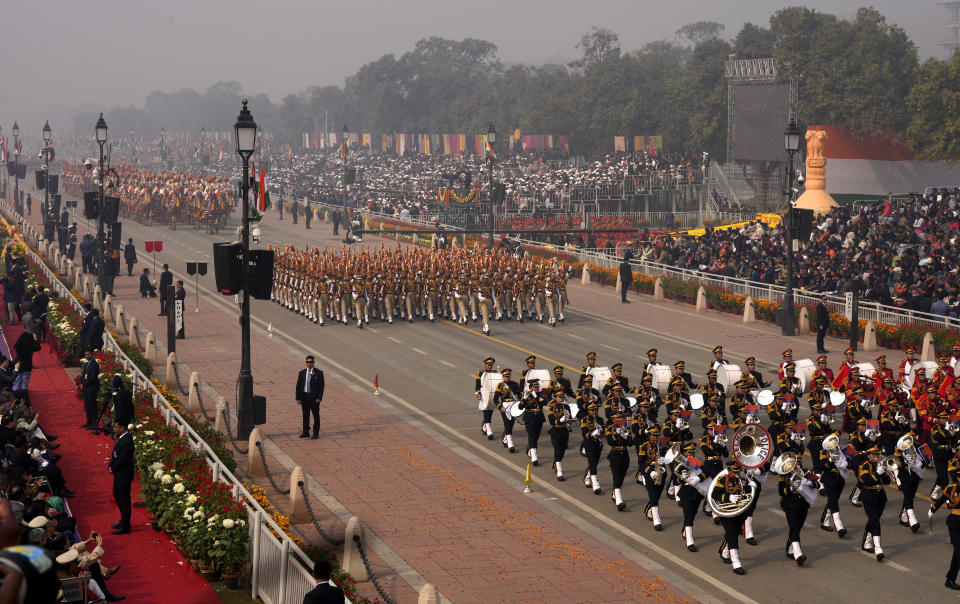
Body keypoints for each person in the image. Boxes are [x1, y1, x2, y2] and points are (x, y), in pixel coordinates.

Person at [930, 475, 960, 590]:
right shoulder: (951, 488)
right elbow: (941, 500)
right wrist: (932, 510)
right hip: (955, 523)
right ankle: (950, 579)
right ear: (958, 478)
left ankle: (950, 579)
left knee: (957, 553)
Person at [108, 421, 134, 535]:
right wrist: (110, 465)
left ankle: (126, 525)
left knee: (124, 499)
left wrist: (113, 468)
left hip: (124, 474)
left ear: (123, 428)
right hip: (119, 473)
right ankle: (123, 520)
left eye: (116, 427)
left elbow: (123, 458)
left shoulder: (127, 440)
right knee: (117, 495)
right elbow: (115, 454)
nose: (114, 429)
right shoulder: (120, 438)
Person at [295, 355, 325, 439]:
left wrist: (319, 397)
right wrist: (298, 398)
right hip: (304, 397)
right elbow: (298, 386)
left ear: (314, 363)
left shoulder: (319, 373)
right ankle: (306, 431)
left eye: (311, 362)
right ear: (305, 363)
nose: (309, 363)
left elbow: (321, 386)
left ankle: (316, 433)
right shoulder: (302, 373)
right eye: (308, 362)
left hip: (314, 398)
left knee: (315, 415)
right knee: (305, 415)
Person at [11, 328, 37, 405]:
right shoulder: (30, 347)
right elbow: (38, 347)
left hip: (18, 363)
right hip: (27, 365)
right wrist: (35, 339)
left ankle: (15, 399)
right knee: (24, 383)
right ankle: (24, 400)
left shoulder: (18, 346)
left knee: (17, 381)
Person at [80, 349, 101, 430]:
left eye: (88, 354)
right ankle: (88, 421)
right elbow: (83, 374)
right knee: (87, 405)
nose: (87, 356)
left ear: (92, 354)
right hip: (86, 387)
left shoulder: (95, 364)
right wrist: (82, 383)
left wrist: (85, 384)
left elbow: (92, 377)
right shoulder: (86, 363)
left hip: (92, 387)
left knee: (92, 405)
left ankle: (94, 423)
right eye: (85, 354)